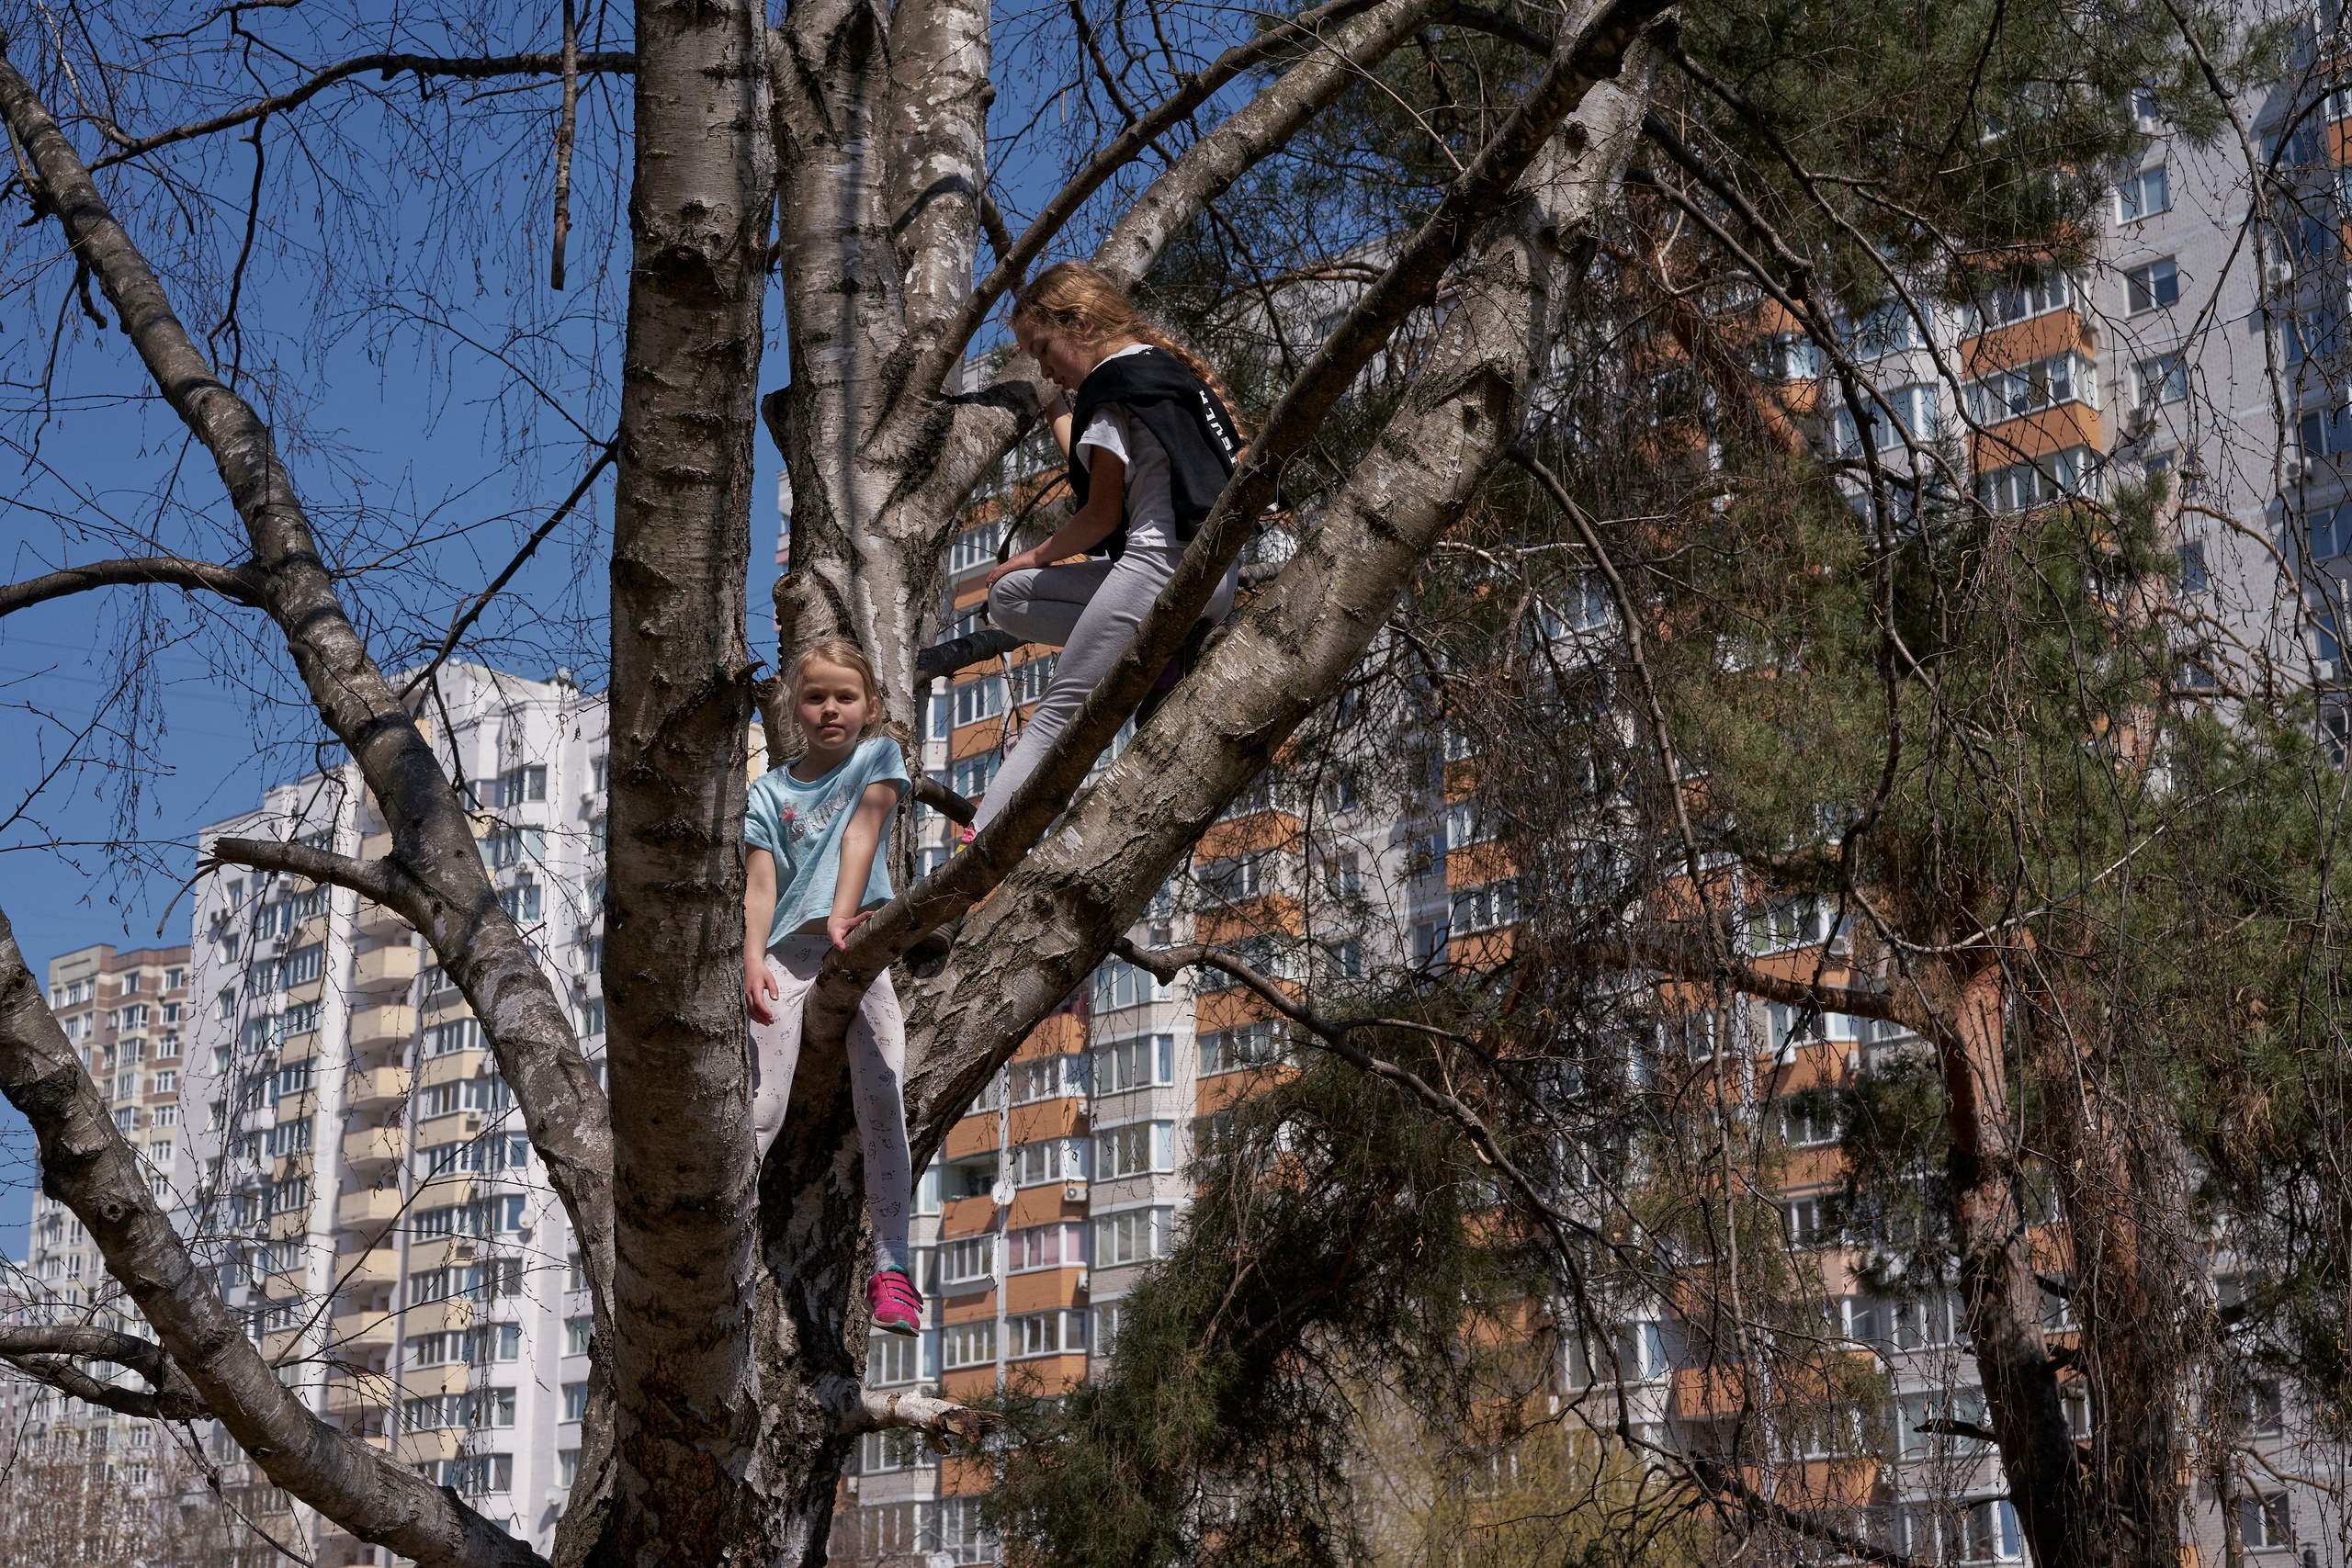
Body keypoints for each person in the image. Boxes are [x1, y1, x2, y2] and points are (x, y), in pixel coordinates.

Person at [966, 261, 1248, 833]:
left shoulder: (1111, 387)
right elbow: (1096, 467)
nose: (1045, 368)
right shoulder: (1158, 377)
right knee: (1010, 598)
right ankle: (1167, 651)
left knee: (1053, 718)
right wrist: (1052, 405)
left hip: (1159, 567)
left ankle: (979, 850)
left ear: (1082, 322)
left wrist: (1034, 554)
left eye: (1043, 350)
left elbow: (1100, 514)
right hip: (1213, 579)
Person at [742, 638, 922, 1336]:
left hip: (859, 946)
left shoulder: (878, 758)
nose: (830, 709)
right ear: (793, 706)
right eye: (815, 696)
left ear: (870, 706)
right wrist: (752, 959)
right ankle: (723, 1234)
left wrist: (847, 911)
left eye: (845, 696)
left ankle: (892, 1265)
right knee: (764, 1105)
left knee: (880, 1094)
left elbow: (863, 831)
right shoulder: (770, 791)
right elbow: (760, 885)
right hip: (790, 955)